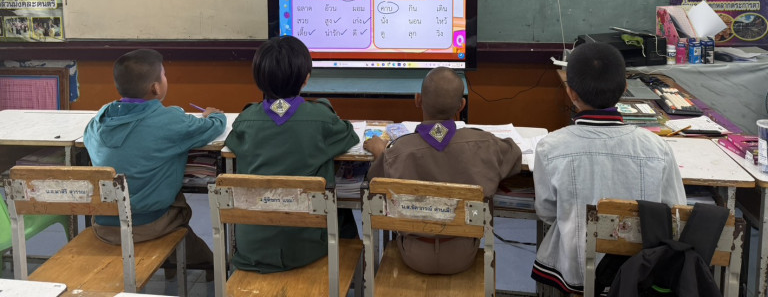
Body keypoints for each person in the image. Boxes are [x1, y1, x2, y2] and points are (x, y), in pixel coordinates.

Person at [531, 42, 686, 295]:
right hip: (639, 274)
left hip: (576, 272)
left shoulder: (550, 147)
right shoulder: (657, 147)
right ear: (625, 89)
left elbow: (547, 212)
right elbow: (675, 211)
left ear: (570, 92)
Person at [364, 67, 522, 275]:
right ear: (462, 105)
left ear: (418, 100)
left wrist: (381, 152)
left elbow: (374, 183)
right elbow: (515, 156)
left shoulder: (398, 151)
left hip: (413, 253)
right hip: (463, 253)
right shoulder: (485, 144)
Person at [225, 35, 359, 273]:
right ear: (306, 79)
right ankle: (356, 272)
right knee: (343, 210)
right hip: (305, 249)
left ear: (258, 79)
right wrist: (325, 105)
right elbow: (349, 135)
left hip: (252, 248)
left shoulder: (245, 120)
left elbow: (232, 143)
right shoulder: (322, 119)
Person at [83, 49, 226, 272]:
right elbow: (213, 126)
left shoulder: (100, 118)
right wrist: (215, 114)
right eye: (164, 75)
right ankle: (207, 265)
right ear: (156, 87)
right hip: (147, 223)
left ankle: (187, 265)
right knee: (178, 207)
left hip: (103, 223)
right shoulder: (169, 120)